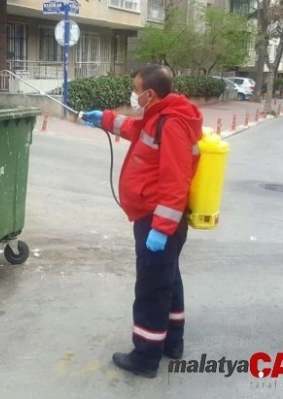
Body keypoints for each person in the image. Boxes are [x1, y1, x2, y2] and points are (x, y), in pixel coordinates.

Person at [81, 65, 203, 378]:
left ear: (150, 93)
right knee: (168, 282)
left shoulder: (172, 123)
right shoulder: (159, 115)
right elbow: (138, 131)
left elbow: (176, 181)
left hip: (158, 221)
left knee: (151, 289)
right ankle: (172, 342)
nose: (133, 95)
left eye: (136, 89)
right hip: (155, 218)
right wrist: (105, 119)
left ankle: (146, 356)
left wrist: (161, 229)